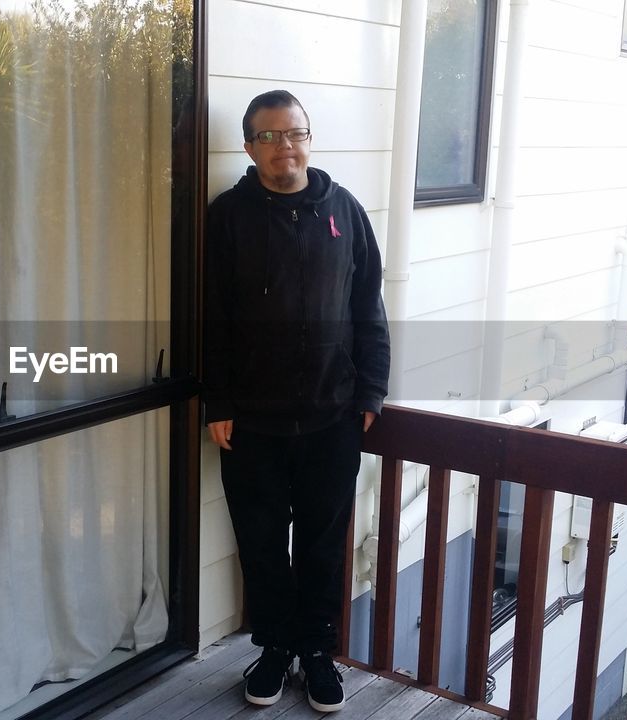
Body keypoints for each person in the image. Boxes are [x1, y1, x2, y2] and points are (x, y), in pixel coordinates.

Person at [203, 89, 391, 713]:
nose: (286, 146)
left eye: (296, 133)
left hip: (332, 418)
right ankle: (275, 647)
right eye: (270, 136)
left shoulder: (346, 211)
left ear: (309, 138)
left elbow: (369, 310)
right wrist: (218, 400)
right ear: (249, 146)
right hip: (252, 422)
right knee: (260, 539)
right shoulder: (228, 216)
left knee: (321, 541)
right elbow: (213, 318)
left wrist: (370, 391)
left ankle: (316, 652)